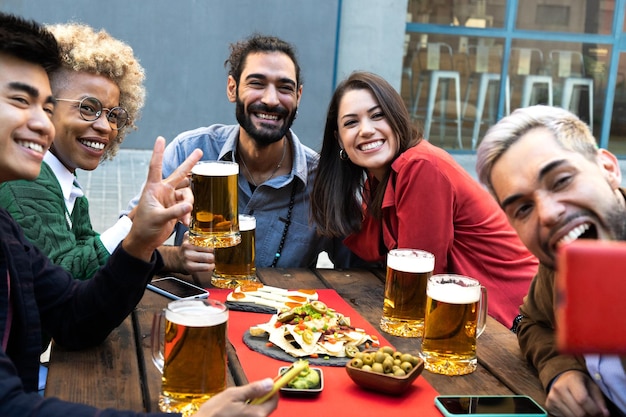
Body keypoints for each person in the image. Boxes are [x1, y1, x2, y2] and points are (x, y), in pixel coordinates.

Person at [0, 12, 277, 417]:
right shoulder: (24, 188)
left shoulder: (10, 225)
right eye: (21, 101)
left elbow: (73, 318)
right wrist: (132, 229)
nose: (40, 123)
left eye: (44, 106)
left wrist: (144, 242)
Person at [311, 71, 538, 327]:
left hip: (513, 319)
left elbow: (418, 284)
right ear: (338, 139)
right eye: (351, 123)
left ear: (397, 119)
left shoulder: (420, 166)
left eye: (377, 115)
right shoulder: (379, 179)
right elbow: (371, 253)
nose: (366, 130)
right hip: (467, 316)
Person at [126, 33, 353, 274]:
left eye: (285, 88)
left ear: (298, 97)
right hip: (196, 308)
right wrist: (175, 257)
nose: (270, 99)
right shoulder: (189, 153)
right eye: (257, 83)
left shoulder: (322, 180)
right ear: (232, 88)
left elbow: (360, 272)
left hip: (281, 311)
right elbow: (121, 245)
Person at [0, 22, 203, 280]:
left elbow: (85, 249)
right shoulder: (27, 183)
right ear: (45, 105)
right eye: (87, 108)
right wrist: (136, 222)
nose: (105, 126)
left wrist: (149, 232)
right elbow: (66, 280)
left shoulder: (62, 176)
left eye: (114, 114)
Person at [476, 105, 626, 417]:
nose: (547, 214)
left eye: (561, 181)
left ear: (608, 168)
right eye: (523, 208)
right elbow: (532, 323)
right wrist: (561, 368)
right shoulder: (559, 261)